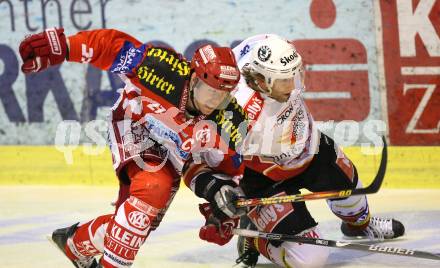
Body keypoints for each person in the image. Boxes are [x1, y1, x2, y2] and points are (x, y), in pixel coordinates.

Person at [19, 28, 247, 267]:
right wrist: (64, 46)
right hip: (135, 124)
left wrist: (221, 207)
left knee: (138, 225)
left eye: (222, 96)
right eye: (209, 91)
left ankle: (74, 243)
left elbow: (221, 171)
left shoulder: (231, 122)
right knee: (152, 190)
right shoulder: (160, 68)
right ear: (193, 78)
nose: (213, 102)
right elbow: (110, 46)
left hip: (173, 151)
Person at [187, 34, 405, 268]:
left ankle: (360, 226)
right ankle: (255, 237)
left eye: (295, 74)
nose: (293, 86)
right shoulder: (233, 113)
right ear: (262, 81)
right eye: (284, 80)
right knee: (310, 260)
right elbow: (195, 163)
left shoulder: (269, 47)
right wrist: (218, 199)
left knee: (353, 197)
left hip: (312, 148)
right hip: (265, 180)